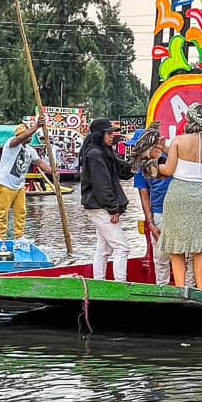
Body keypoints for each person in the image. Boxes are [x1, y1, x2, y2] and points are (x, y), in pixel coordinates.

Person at [156, 103, 202, 289]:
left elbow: (169, 169)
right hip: (200, 194)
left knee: (177, 248)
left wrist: (153, 167)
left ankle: (180, 289)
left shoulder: (178, 140)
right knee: (199, 248)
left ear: (190, 120)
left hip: (177, 193)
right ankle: (200, 289)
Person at [130, 124, 194, 288]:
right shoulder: (141, 166)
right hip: (158, 212)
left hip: (181, 210)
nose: (135, 152)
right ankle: (162, 287)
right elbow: (144, 195)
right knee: (161, 256)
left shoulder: (171, 155)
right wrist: (149, 222)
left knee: (186, 253)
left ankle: (188, 288)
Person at [80, 118, 134, 281]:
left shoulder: (103, 151)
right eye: (109, 133)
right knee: (121, 247)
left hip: (98, 206)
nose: (113, 137)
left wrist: (137, 160)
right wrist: (113, 208)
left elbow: (122, 170)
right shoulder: (95, 154)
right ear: (99, 134)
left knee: (103, 249)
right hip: (100, 206)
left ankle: (99, 281)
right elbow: (101, 184)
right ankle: (120, 283)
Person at [0, 117, 54, 241]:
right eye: (27, 134)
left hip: (19, 186)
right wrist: (36, 126)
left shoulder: (30, 150)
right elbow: (20, 138)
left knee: (21, 212)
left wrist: (53, 172)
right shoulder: (11, 143)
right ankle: (0, 238)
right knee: (2, 213)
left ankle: (19, 236)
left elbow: (40, 163)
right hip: (4, 184)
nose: (29, 136)